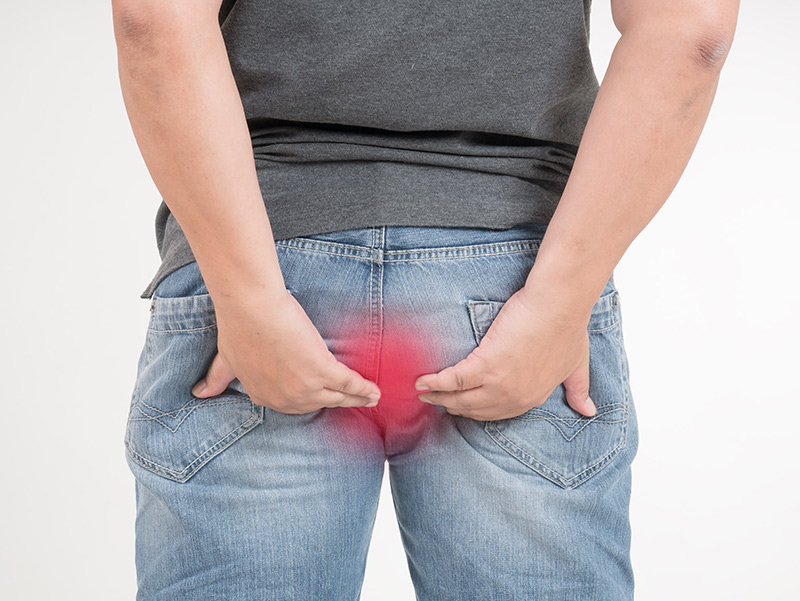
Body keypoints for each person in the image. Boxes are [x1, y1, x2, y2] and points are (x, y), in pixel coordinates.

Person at [113, 1, 738, 599]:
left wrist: (250, 299)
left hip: (261, 262)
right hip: (511, 280)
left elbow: (154, 16)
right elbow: (690, 30)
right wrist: (556, 304)